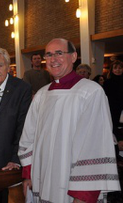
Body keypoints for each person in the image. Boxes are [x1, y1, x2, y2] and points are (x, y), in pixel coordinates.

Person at [18, 38, 120, 203]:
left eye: (59, 53)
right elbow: (29, 136)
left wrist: (83, 195)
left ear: (73, 57)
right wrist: (28, 174)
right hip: (42, 179)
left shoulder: (91, 92)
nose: (53, 59)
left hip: (74, 186)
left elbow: (95, 144)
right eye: (49, 55)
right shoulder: (42, 95)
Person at [103, 61, 123, 151]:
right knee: (115, 130)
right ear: (112, 70)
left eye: (120, 68)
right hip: (113, 110)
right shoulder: (107, 83)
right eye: (115, 68)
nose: (118, 70)